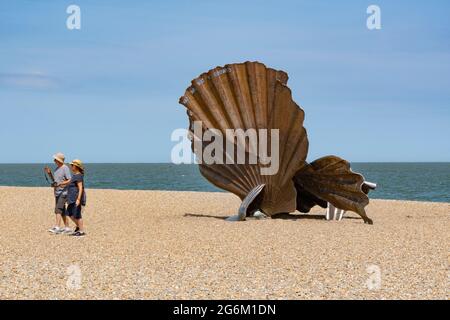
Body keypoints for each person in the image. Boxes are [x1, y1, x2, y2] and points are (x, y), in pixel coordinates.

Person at [59, 159, 87, 237]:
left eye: (72, 165)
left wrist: (78, 199)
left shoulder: (78, 176)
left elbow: (80, 188)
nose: (71, 166)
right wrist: (60, 183)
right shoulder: (75, 175)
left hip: (75, 199)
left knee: (77, 215)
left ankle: (81, 232)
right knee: (69, 213)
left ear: (76, 166)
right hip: (71, 199)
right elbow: (69, 181)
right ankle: (78, 227)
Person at [46, 153, 72, 234]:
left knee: (58, 209)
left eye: (55, 159)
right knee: (63, 210)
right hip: (57, 192)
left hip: (64, 192)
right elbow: (55, 180)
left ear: (59, 160)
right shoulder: (56, 169)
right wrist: (49, 173)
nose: (54, 161)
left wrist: (61, 184)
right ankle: (67, 228)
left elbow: (69, 180)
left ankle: (57, 227)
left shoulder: (65, 168)